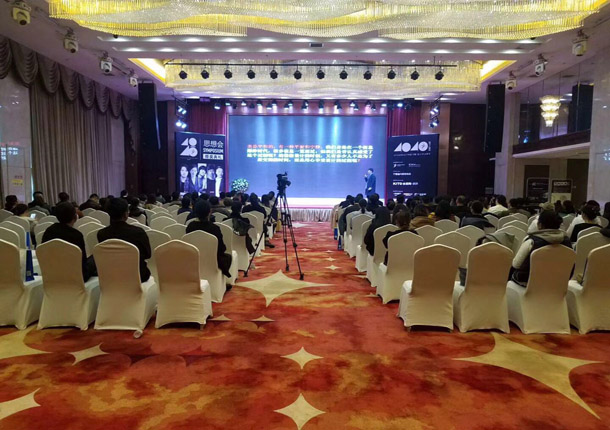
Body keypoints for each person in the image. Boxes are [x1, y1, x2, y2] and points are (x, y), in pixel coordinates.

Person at [97, 198, 152, 282]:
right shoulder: (138, 232)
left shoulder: (101, 234)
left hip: (111, 275)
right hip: (138, 275)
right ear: (126, 214)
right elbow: (147, 254)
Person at [511, 210, 571, 286]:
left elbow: (516, 264)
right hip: (558, 282)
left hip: (530, 283)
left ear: (540, 225)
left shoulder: (531, 242)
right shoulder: (567, 242)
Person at [41, 202, 95, 281]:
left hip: (52, 274)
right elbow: (82, 262)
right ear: (75, 217)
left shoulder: (49, 231)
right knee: (94, 258)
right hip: (77, 276)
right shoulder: (76, 235)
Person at [186, 200, 233, 279]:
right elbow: (221, 248)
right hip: (213, 260)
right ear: (209, 212)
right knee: (228, 257)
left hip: (194, 259)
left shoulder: (190, 227)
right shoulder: (214, 228)